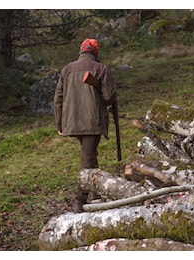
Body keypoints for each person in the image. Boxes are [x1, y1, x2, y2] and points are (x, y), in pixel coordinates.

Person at [54, 38, 117, 212]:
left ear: (81, 50)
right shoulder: (101, 69)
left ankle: (94, 191)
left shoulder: (67, 69)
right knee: (87, 158)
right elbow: (108, 97)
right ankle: (79, 200)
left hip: (72, 121)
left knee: (90, 154)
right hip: (91, 121)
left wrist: (59, 123)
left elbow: (58, 97)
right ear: (95, 52)